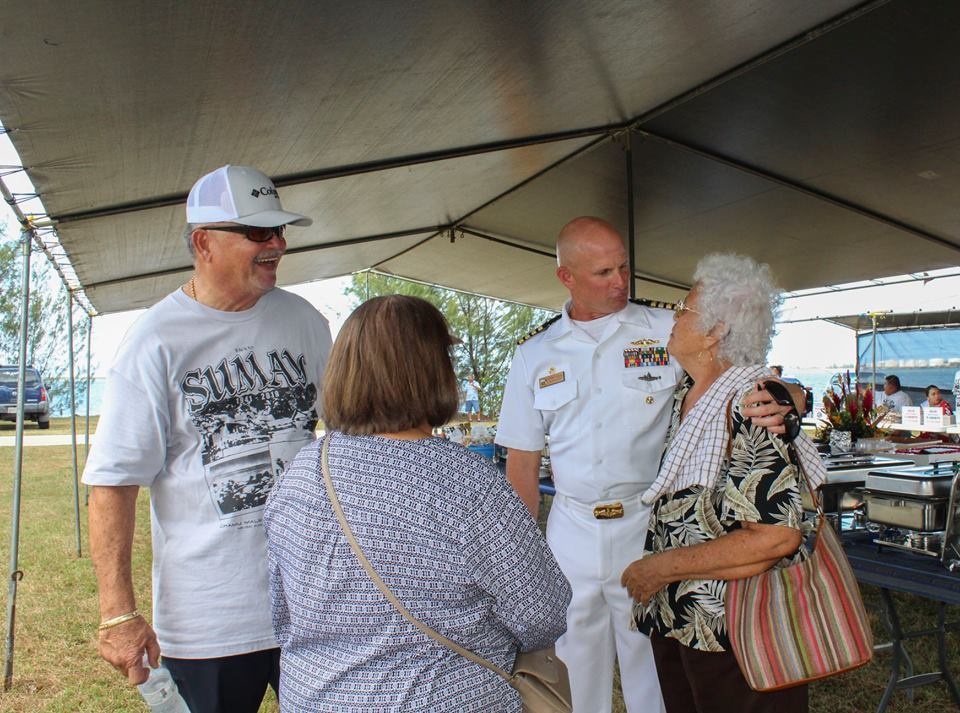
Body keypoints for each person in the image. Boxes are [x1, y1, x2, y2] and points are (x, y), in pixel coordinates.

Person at [495, 216, 801, 713]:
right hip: (571, 529)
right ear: (566, 277)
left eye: (624, 267)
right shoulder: (534, 353)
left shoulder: (669, 329)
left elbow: (745, 374)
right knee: (573, 670)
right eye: (602, 272)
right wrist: (522, 560)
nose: (620, 282)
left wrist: (790, 396)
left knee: (654, 668)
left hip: (648, 523)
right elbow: (522, 468)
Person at [83, 164, 333, 713]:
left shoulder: (306, 322)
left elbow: (346, 440)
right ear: (204, 243)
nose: (277, 245)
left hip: (314, 604)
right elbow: (113, 483)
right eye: (258, 234)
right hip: (211, 619)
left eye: (280, 232)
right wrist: (118, 614)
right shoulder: (154, 342)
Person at [264, 295, 570, 712]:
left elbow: (283, 613)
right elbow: (542, 614)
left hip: (317, 698)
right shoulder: (467, 482)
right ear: (432, 370)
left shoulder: (298, 475)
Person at [621, 253, 825, 713]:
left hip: (741, 637)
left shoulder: (751, 407)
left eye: (685, 308)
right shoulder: (688, 397)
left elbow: (775, 537)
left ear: (716, 332)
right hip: (686, 626)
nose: (674, 315)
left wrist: (660, 568)